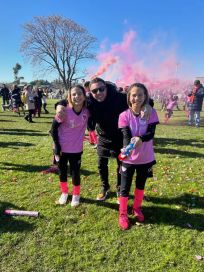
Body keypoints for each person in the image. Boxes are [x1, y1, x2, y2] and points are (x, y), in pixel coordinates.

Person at [87, 78, 152, 202]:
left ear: (106, 88)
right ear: (91, 92)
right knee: (101, 164)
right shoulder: (90, 101)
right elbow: (66, 102)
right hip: (103, 137)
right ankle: (104, 187)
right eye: (95, 91)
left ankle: (119, 188)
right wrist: (59, 107)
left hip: (121, 137)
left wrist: (148, 104)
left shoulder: (119, 97)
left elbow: (140, 99)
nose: (99, 92)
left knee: (121, 164)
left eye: (101, 89)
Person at [118, 83, 159, 230]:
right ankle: (122, 213)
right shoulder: (123, 115)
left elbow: (151, 133)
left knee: (140, 185)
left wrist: (141, 138)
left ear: (145, 96)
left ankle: (136, 208)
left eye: (140, 95)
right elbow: (125, 135)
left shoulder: (151, 112)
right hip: (129, 158)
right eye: (134, 95)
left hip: (145, 157)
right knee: (124, 187)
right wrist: (127, 148)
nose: (137, 98)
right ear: (129, 96)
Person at [50, 85, 89, 206]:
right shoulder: (64, 110)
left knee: (75, 172)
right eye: (74, 94)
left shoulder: (87, 111)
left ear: (84, 95)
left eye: (79, 94)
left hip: (76, 149)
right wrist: (57, 145)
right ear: (70, 97)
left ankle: (76, 195)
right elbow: (53, 128)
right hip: (61, 148)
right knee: (62, 171)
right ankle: (64, 193)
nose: (77, 96)